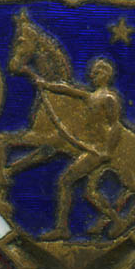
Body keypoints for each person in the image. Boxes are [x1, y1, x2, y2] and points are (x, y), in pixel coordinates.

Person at [36, 58, 123, 239]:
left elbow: (116, 125)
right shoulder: (91, 96)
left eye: (98, 72)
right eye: (93, 72)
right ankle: (117, 221)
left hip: (97, 150)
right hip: (90, 148)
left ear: (107, 75)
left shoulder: (108, 99)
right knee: (89, 192)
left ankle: (62, 229)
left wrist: (107, 150)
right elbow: (68, 90)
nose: (93, 75)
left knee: (65, 181)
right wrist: (47, 86)